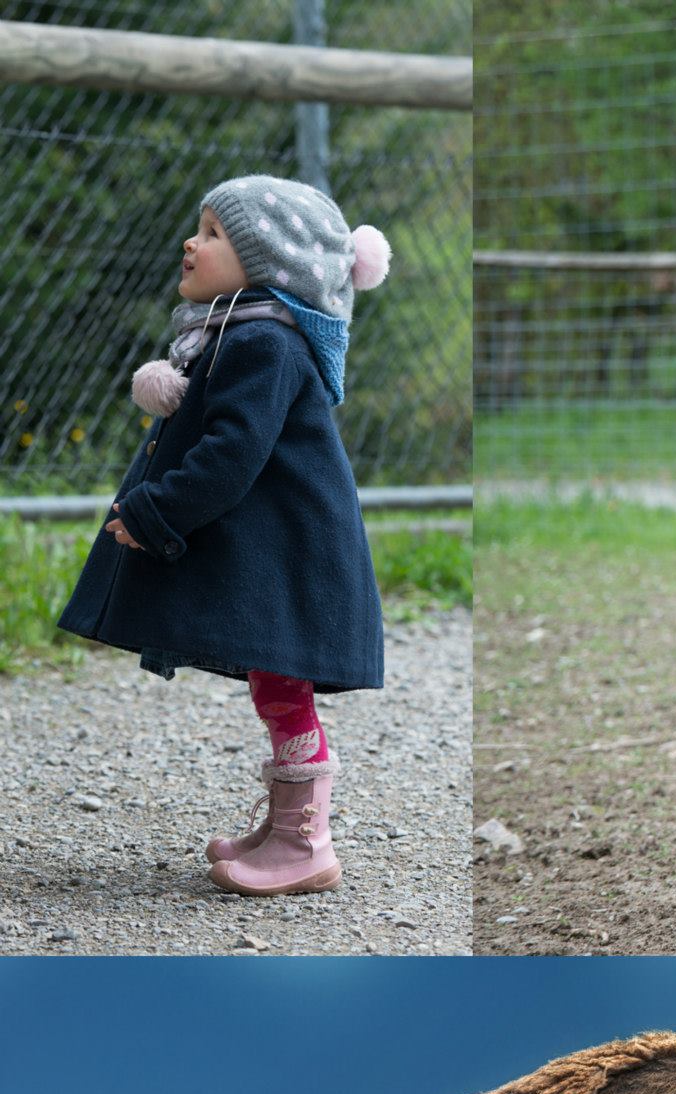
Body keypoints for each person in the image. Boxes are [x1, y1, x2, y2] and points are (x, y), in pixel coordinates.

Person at [58, 177, 391, 895]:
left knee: (285, 690)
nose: (192, 242)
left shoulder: (264, 341)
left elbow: (231, 453)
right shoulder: (239, 329)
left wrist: (155, 512)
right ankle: (286, 825)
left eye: (214, 233)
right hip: (278, 550)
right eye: (199, 227)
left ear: (272, 262)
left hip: (293, 555)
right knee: (276, 686)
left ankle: (307, 842)